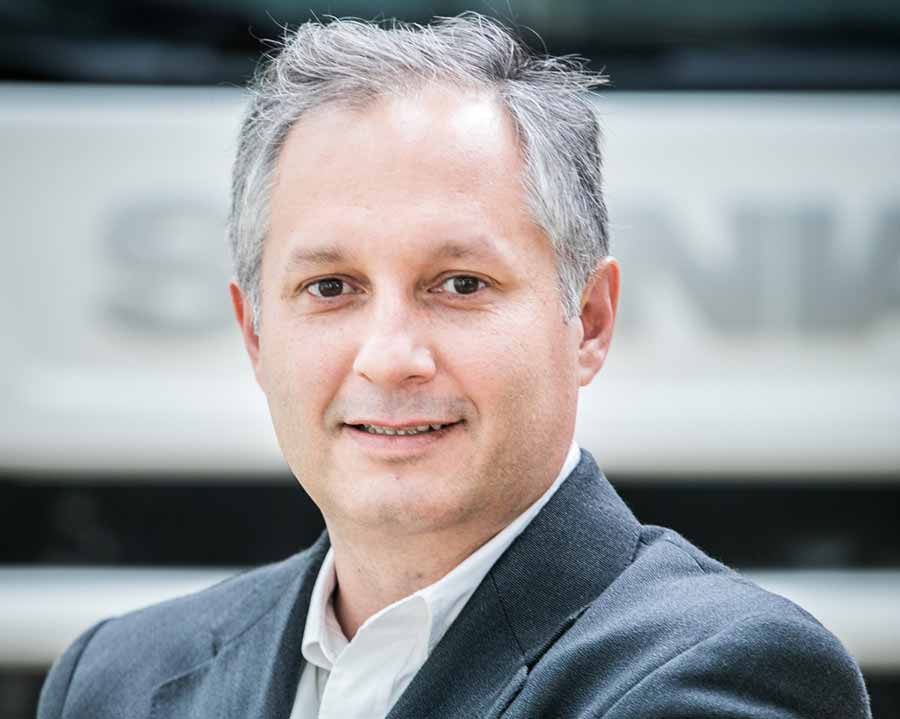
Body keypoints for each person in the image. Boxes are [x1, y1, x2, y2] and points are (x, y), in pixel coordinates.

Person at [39, 13, 871, 719]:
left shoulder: (722, 677)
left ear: (588, 320)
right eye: (330, 287)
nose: (391, 356)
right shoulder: (113, 681)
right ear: (255, 335)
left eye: (460, 284)